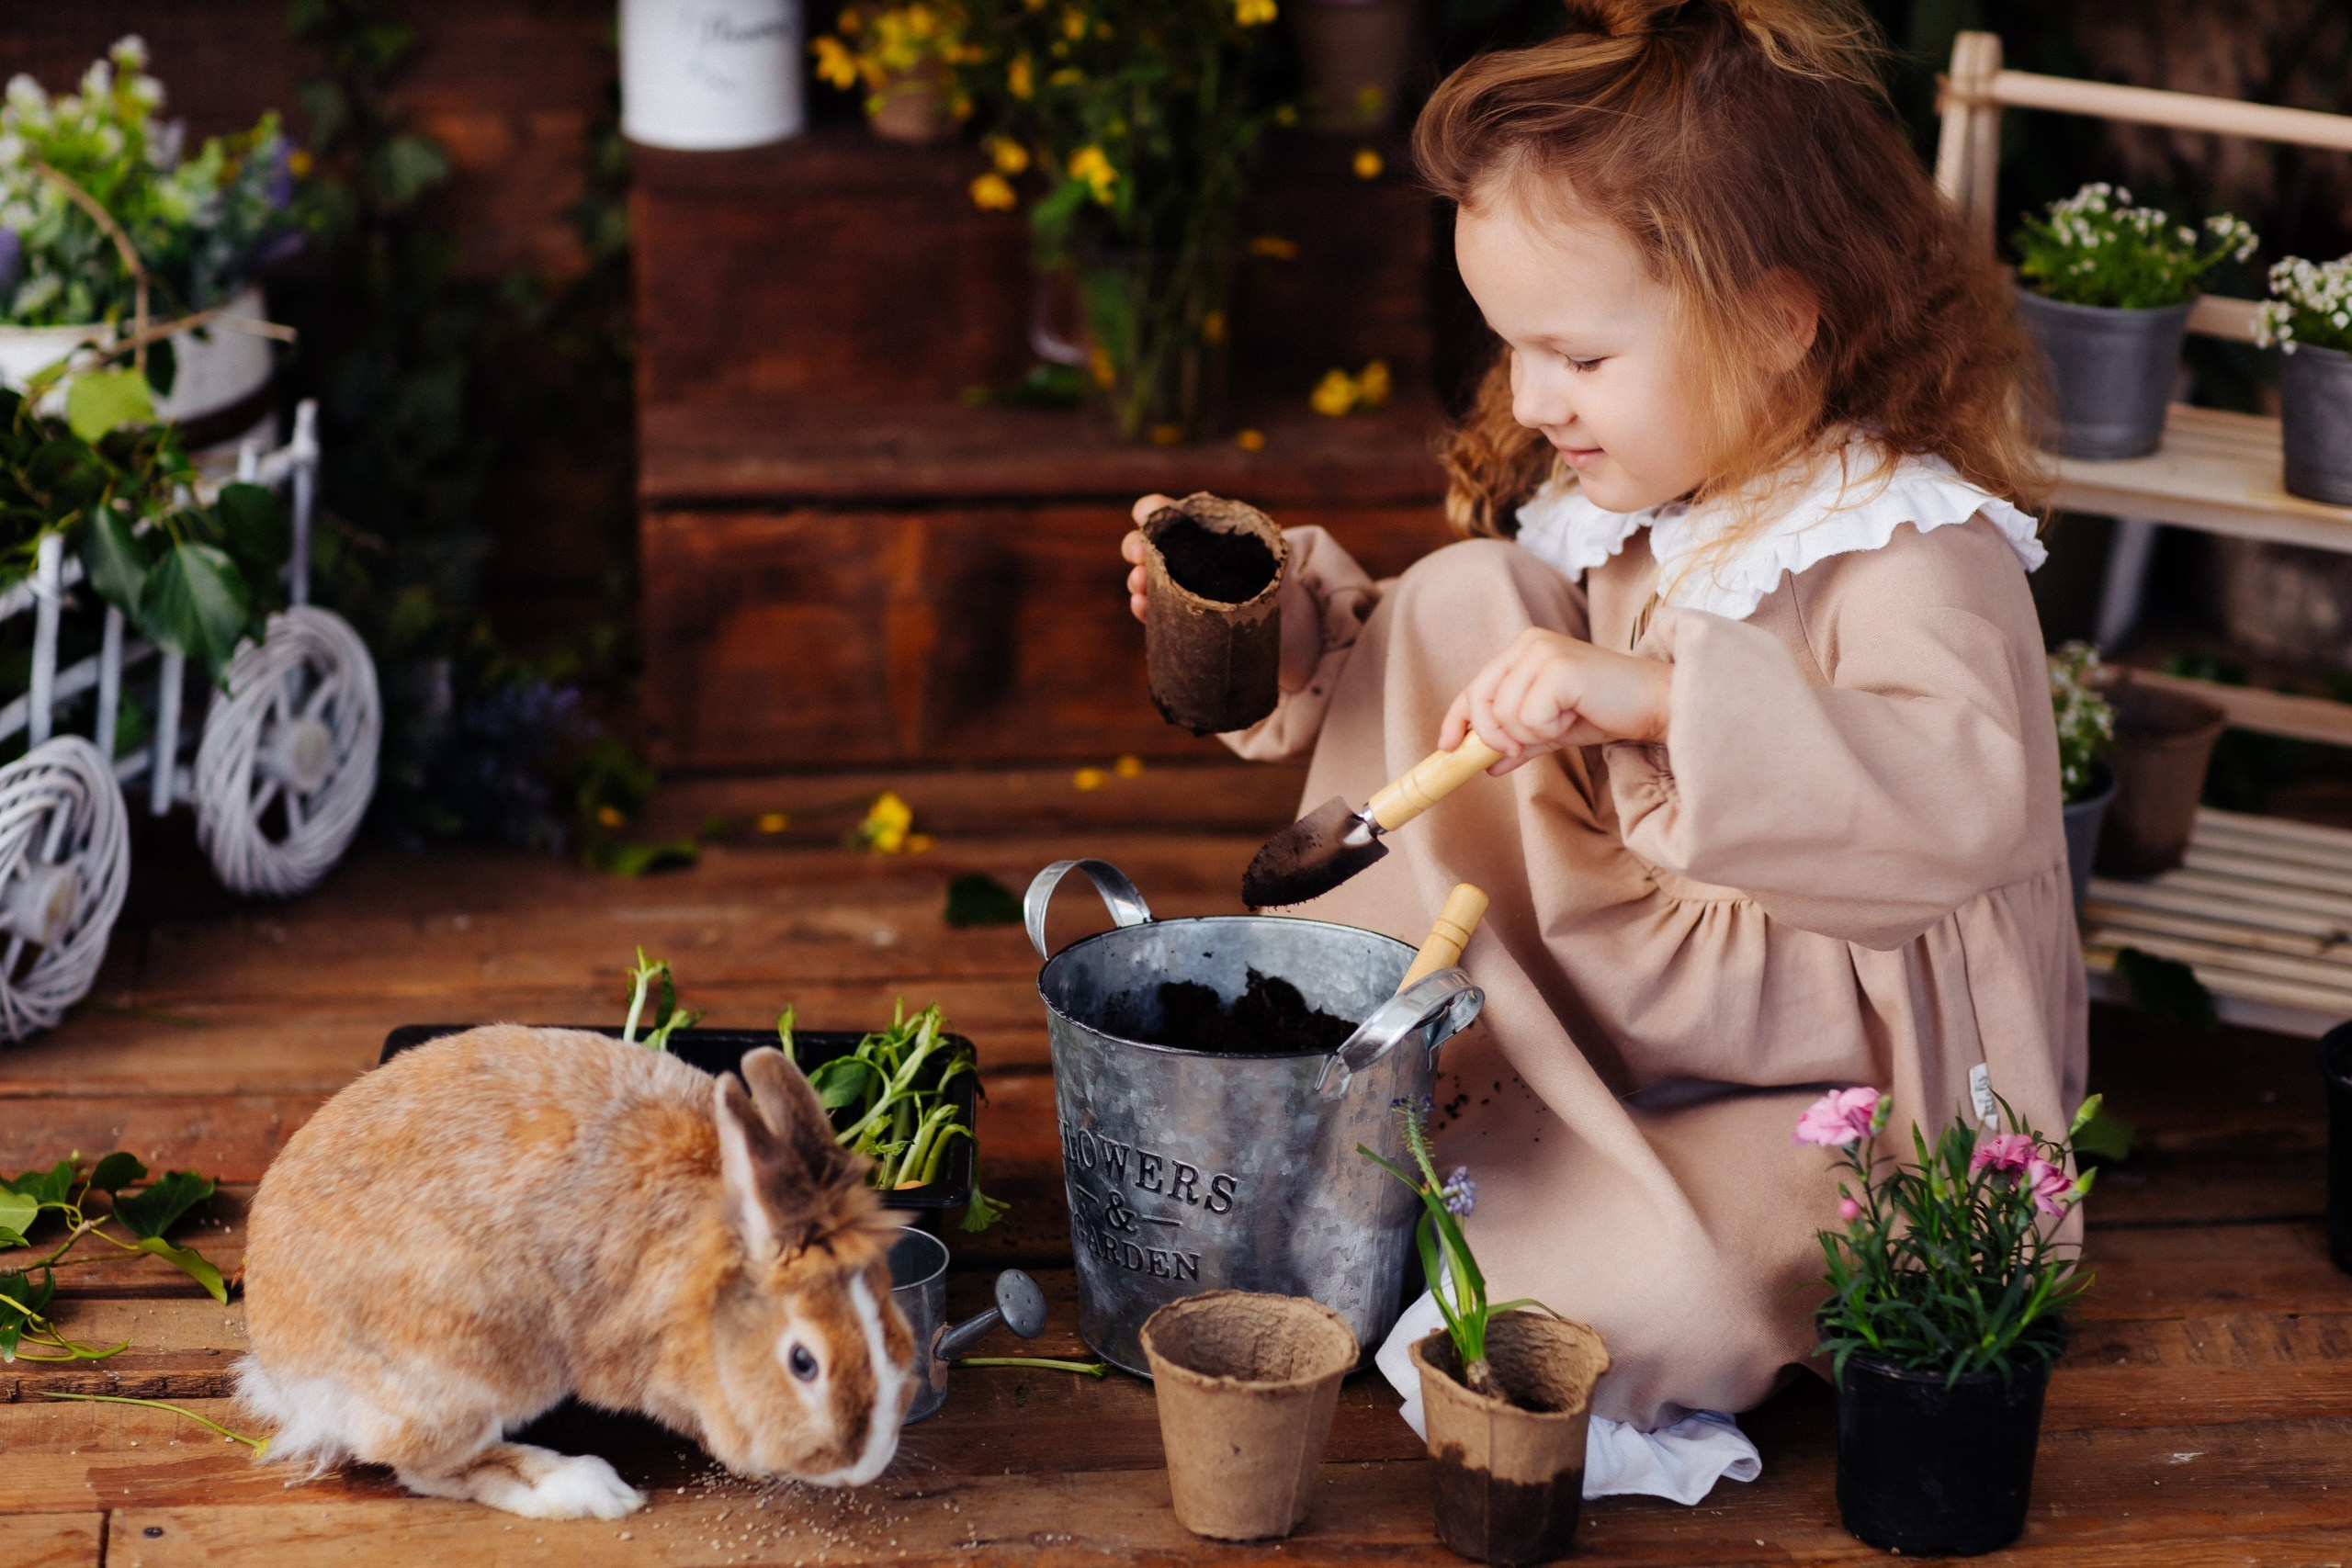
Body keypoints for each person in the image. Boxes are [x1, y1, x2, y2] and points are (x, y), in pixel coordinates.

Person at [1118, 0, 2083, 1502]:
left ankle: (1591, 1200)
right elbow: (1500, 687)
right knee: (1467, 599)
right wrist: (1305, 641)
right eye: (1509, 350)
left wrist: (1651, 698)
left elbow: (1960, 807)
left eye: (1572, 353)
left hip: (1832, 1062)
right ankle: (1399, 1045)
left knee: (1653, 1293)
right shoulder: (1654, 480)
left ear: (1777, 316)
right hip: (1635, 969)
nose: (1529, 399)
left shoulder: (1909, 542)